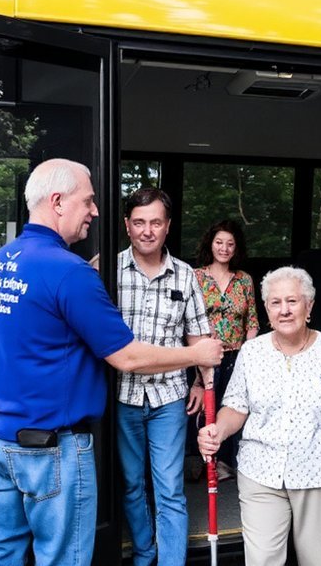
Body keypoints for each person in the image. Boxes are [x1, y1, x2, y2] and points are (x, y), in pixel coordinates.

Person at [0, 159, 223, 566]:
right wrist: (196, 355)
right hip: (46, 442)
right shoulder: (73, 272)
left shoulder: (0, 261)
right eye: (87, 201)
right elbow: (125, 356)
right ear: (57, 202)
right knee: (64, 557)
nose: (94, 211)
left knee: (1, 551)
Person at [198, 266, 321, 566]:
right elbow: (236, 408)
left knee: (318, 560)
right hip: (261, 472)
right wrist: (217, 431)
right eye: (275, 303)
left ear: (309, 306)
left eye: (292, 301)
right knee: (262, 560)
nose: (284, 310)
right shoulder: (252, 352)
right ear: (266, 309)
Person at [116, 187, 211, 566]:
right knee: (131, 486)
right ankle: (144, 553)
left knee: (169, 489)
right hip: (121, 396)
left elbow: (200, 338)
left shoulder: (186, 275)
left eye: (155, 222)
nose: (147, 231)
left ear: (167, 226)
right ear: (127, 226)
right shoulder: (106, 269)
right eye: (139, 222)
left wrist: (202, 383)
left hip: (168, 397)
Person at [192, 219, 259, 481]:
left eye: (230, 244)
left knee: (233, 408)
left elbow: (251, 320)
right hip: (205, 354)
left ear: (236, 248)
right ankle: (205, 463)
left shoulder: (243, 280)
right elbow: (189, 320)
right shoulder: (197, 277)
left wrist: (249, 356)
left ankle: (229, 465)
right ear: (211, 244)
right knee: (205, 409)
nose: (224, 248)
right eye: (219, 242)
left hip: (237, 355)